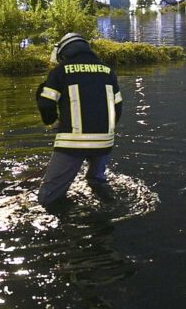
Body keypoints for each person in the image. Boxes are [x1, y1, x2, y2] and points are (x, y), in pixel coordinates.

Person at [35, 32, 123, 209]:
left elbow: (45, 103)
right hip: (104, 142)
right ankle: (109, 208)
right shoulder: (107, 71)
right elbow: (118, 107)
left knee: (48, 198)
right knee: (97, 183)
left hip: (72, 143)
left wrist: (53, 122)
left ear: (64, 52)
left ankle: (64, 224)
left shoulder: (60, 71)